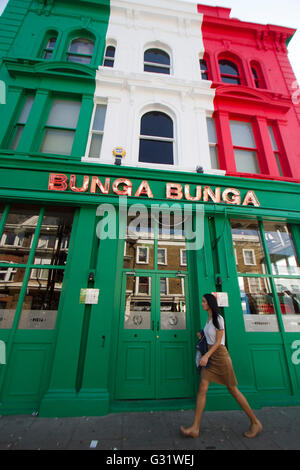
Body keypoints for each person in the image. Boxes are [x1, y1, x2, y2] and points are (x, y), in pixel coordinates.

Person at [180, 293, 263, 439]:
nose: (202, 303)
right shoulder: (208, 319)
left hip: (220, 356)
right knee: (202, 389)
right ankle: (195, 428)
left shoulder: (219, 319)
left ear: (210, 303)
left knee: (233, 389)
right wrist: (203, 335)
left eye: (204, 301)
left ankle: (255, 422)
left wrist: (206, 356)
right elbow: (211, 338)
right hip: (211, 357)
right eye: (202, 301)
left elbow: (218, 342)